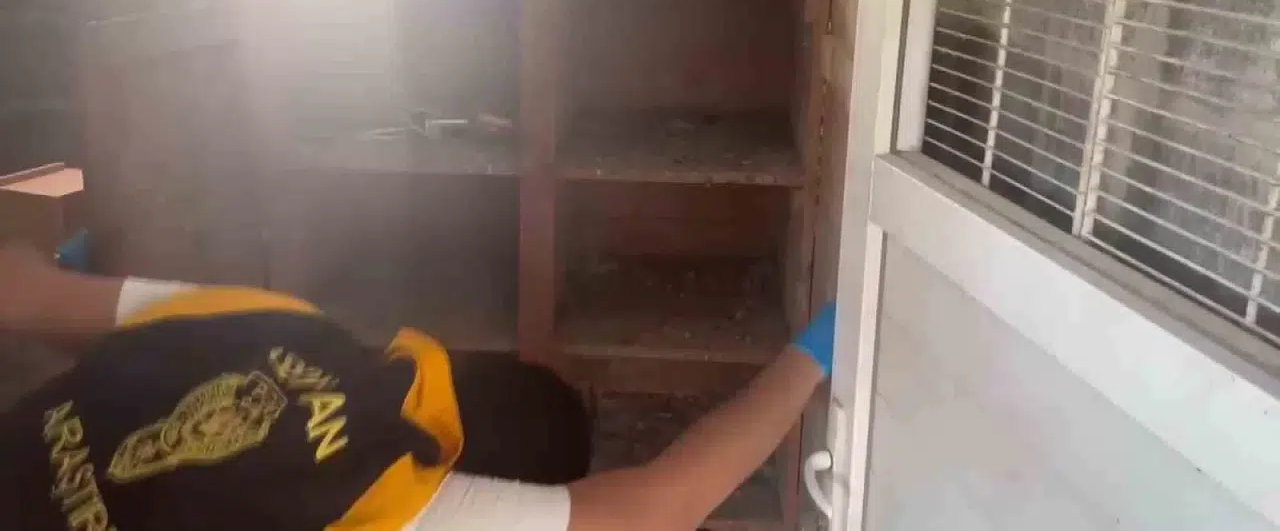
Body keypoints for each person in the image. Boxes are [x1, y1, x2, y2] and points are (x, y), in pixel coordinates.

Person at [0, 243, 836, 531]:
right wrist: (829, 347)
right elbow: (661, 508)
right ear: (476, 479)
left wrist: (47, 256)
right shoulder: (396, 497)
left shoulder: (283, 320)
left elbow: (20, 288)